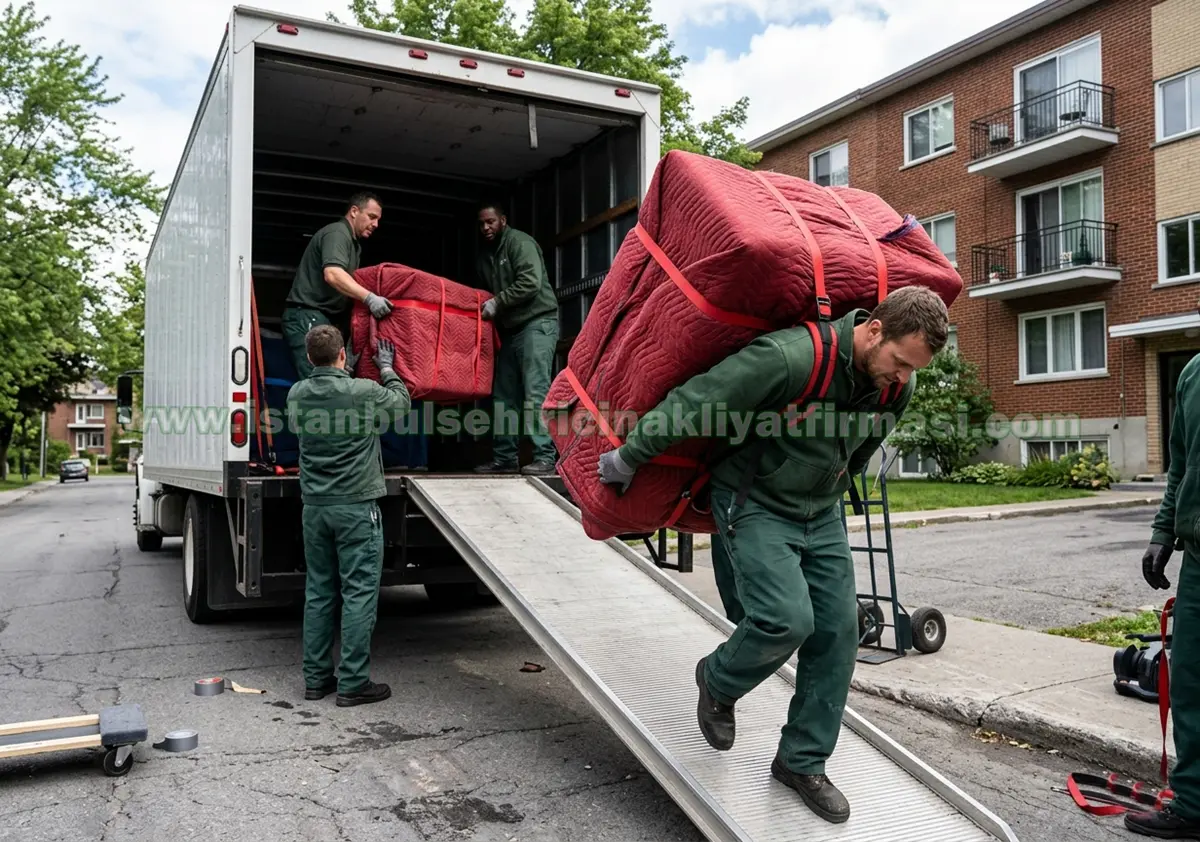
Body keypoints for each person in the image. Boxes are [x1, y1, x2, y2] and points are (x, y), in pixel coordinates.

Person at [597, 285, 948, 824]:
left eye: (910, 370)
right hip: (755, 499)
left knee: (838, 633)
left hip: (821, 512)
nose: (902, 378)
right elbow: (699, 400)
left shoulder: (893, 386)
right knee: (785, 619)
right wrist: (630, 456)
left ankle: (801, 762)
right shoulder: (790, 358)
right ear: (873, 329)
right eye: (899, 362)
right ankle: (716, 680)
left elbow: (860, 449)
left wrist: (830, 491)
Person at [285, 324, 411, 707]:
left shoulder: (297, 394)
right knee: (358, 594)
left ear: (309, 358)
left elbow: (296, 426)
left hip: (315, 509)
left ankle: (316, 679)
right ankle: (354, 683)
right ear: (343, 355)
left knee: (319, 593)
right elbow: (401, 403)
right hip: (355, 508)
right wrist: (386, 368)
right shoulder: (363, 391)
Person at [1127, 352, 1200, 839]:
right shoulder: (1193, 372)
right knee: (1192, 685)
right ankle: (1193, 804)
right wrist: (1163, 531)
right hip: (1198, 560)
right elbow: (1179, 462)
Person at [472, 201, 560, 476]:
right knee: (503, 396)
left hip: (537, 323)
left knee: (535, 392)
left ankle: (546, 457)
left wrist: (498, 303)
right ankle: (505, 459)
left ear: (503, 221)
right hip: (510, 330)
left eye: (491, 222)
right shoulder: (484, 256)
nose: (486, 227)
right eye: (482, 223)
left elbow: (530, 282)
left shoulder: (519, 243)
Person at [281, 192, 391, 380]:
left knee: (331, 381)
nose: (376, 225)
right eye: (372, 217)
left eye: (378, 220)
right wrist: (370, 298)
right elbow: (333, 274)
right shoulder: (338, 233)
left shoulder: (354, 244)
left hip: (320, 318)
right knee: (321, 383)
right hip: (308, 315)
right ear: (354, 211)